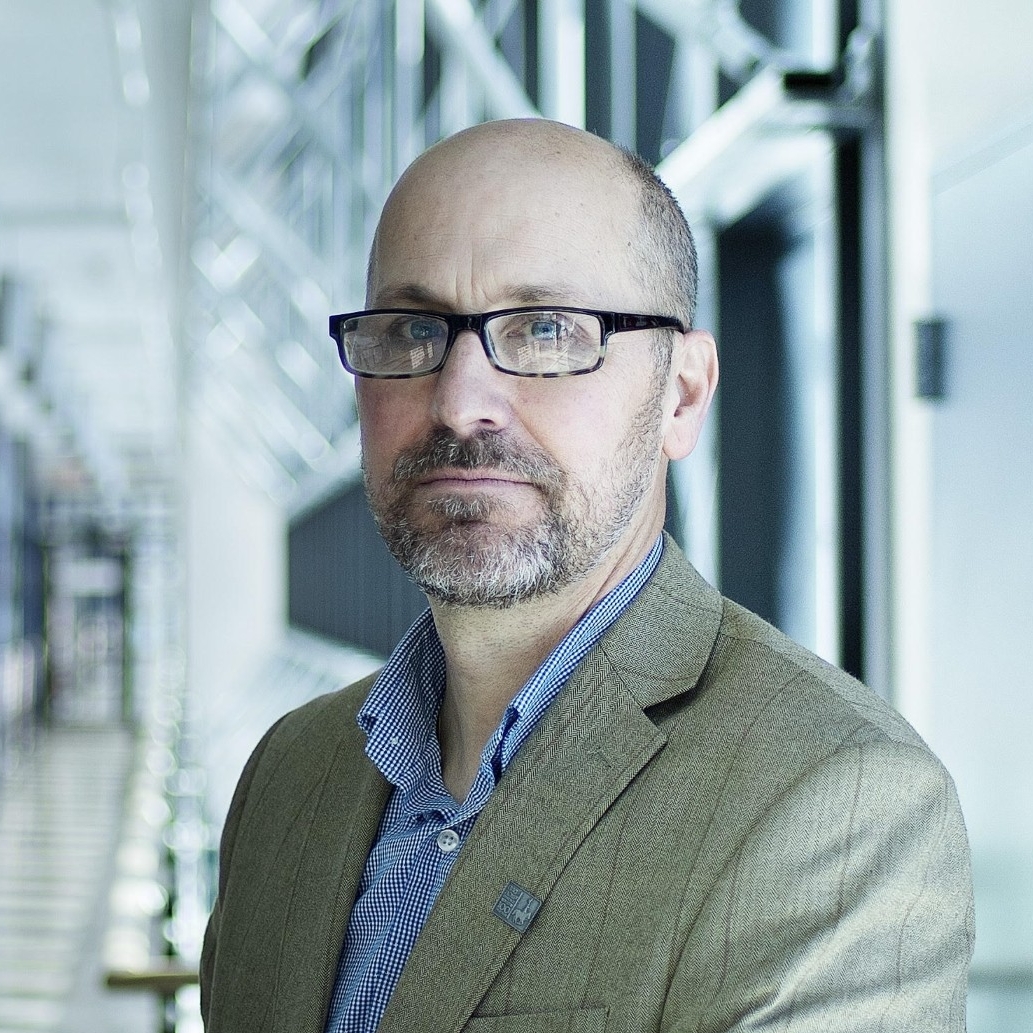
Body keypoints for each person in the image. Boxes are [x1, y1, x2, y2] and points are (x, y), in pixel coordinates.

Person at [200, 119, 974, 1033]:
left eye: (545, 330)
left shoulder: (836, 803)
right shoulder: (292, 771)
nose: (461, 401)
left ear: (681, 394)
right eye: (412, 330)